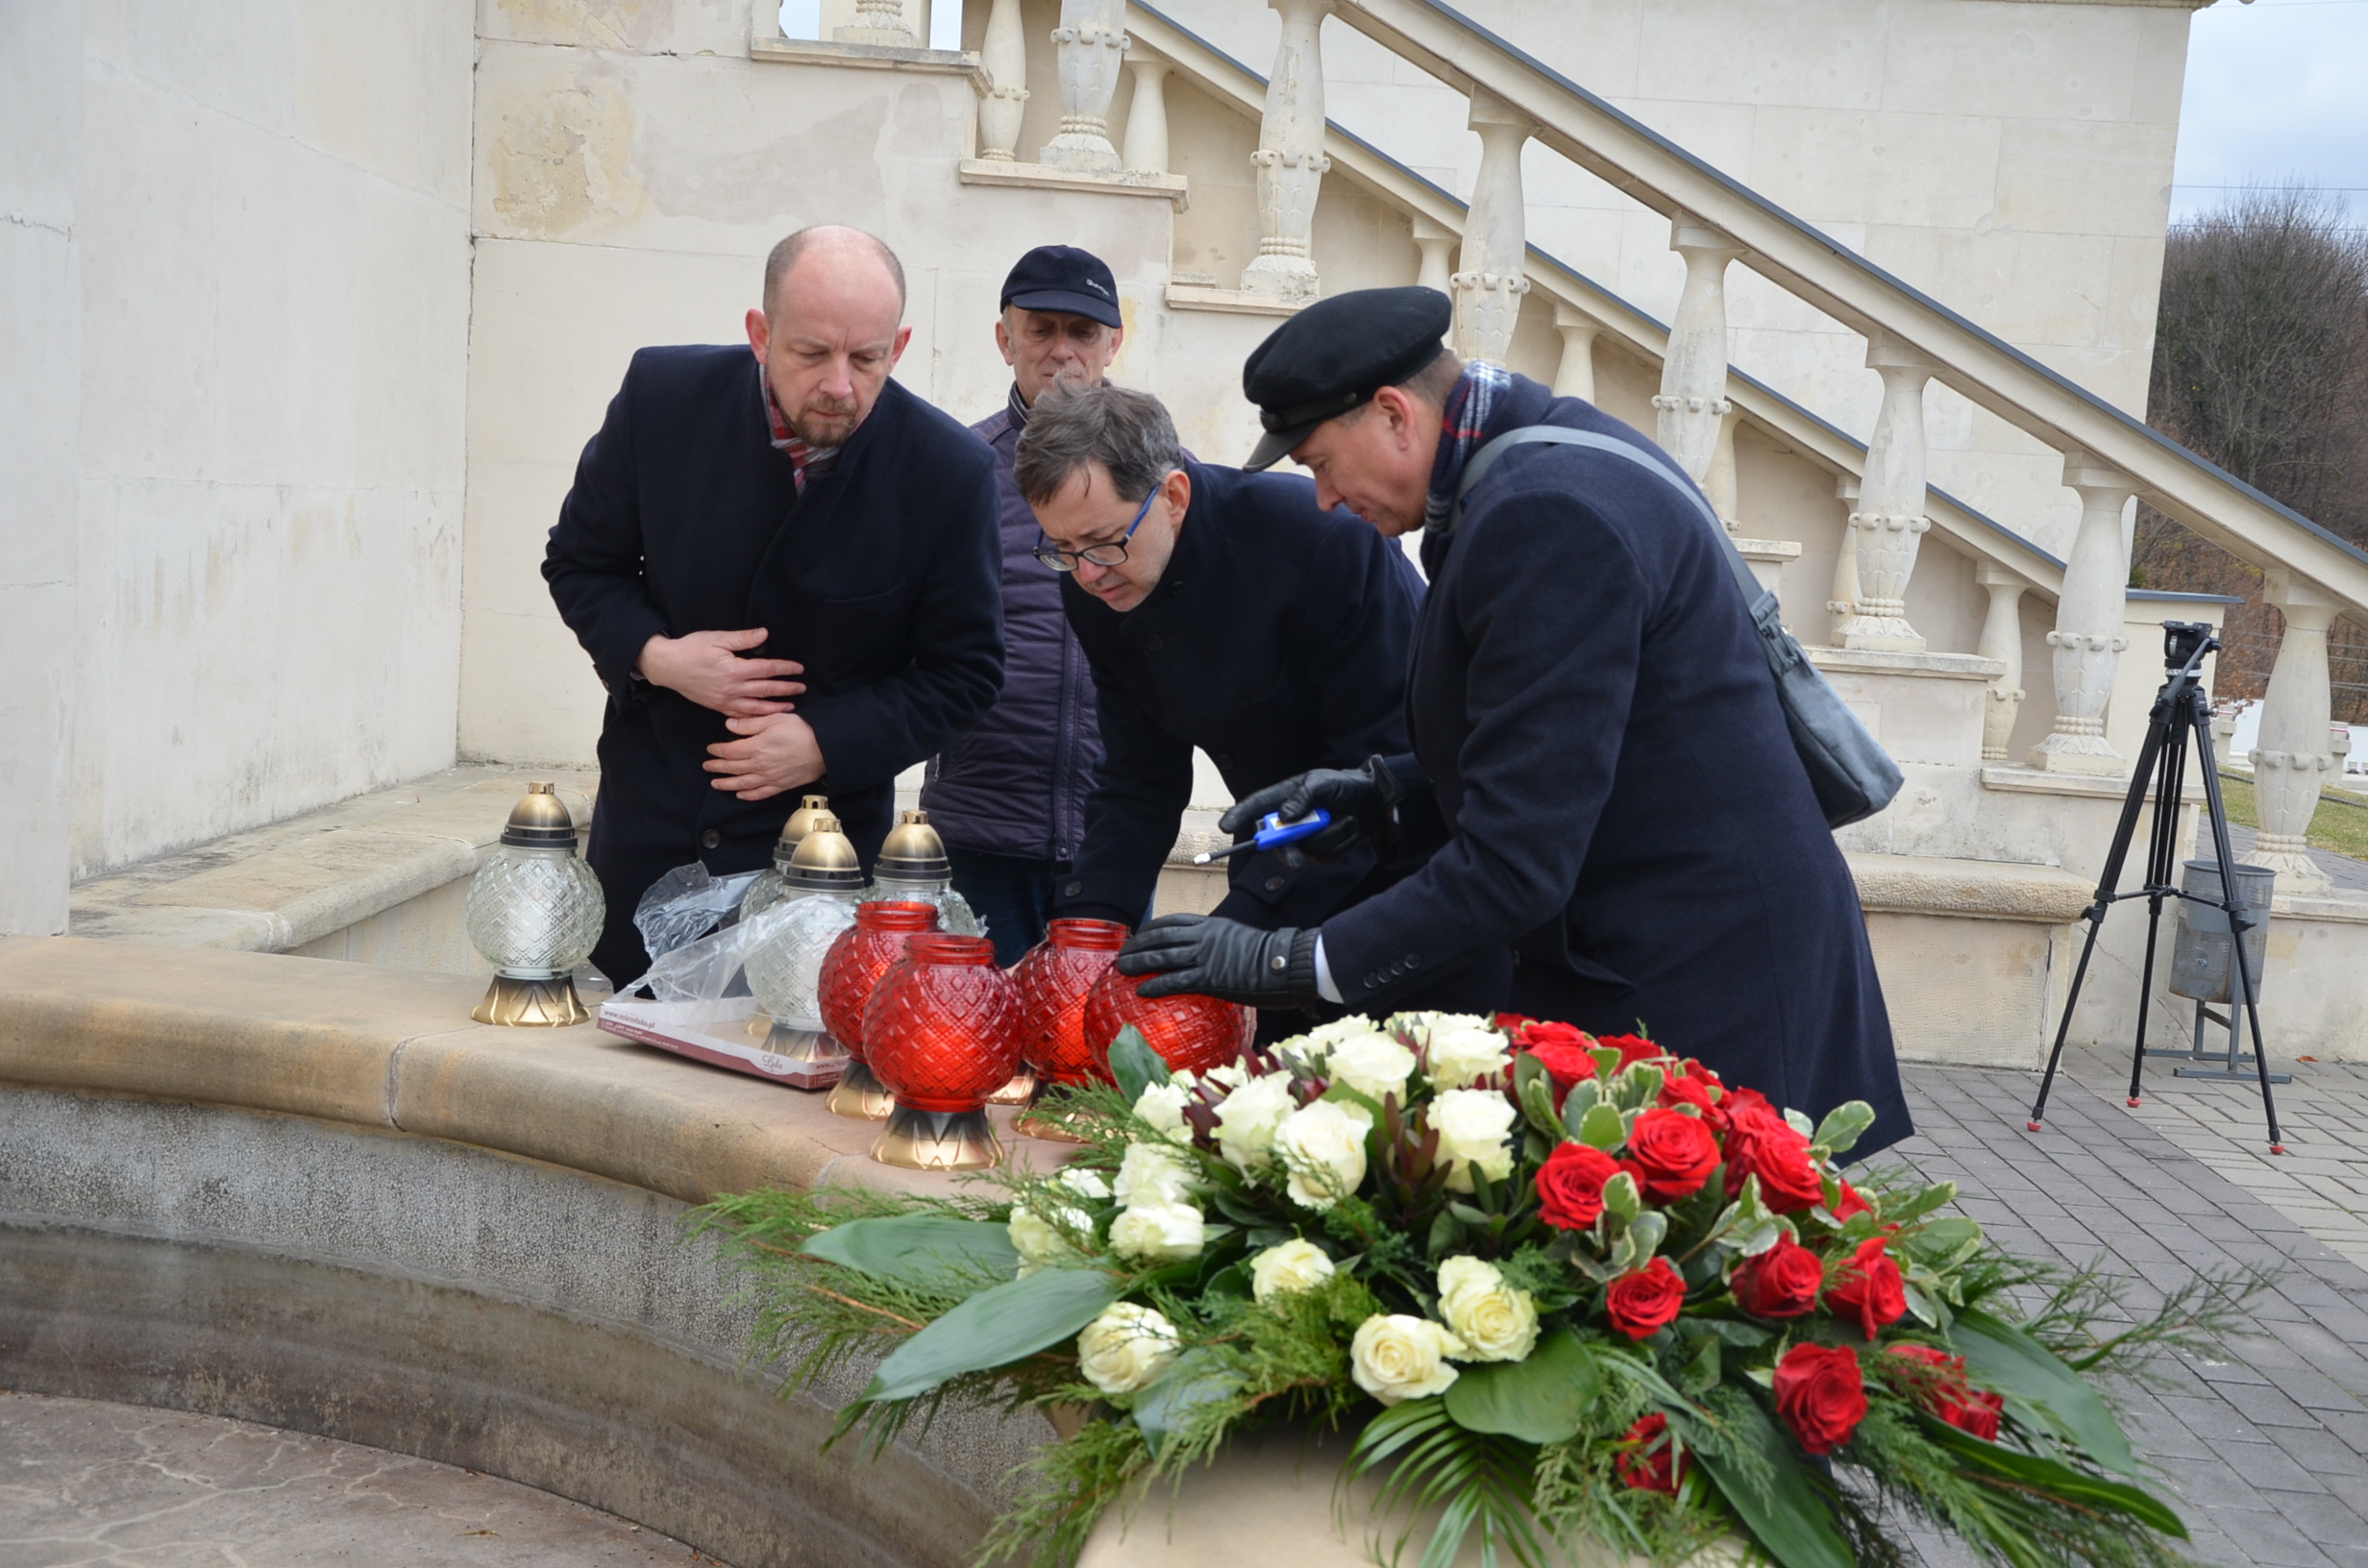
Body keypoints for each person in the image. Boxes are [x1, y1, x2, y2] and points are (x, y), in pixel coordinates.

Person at [1113, 285, 1912, 1155]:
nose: (1326, 500)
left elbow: (1517, 861)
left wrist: (1294, 962)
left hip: (1705, 979)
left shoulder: (1544, 514)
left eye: (1321, 464)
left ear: (1394, 415)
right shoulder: (1532, 460)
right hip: (1669, 944)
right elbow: (1574, 745)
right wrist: (1386, 798)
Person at [544, 226, 1003, 990]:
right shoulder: (660, 398)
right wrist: (660, 657)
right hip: (649, 837)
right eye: (811, 353)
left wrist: (824, 741)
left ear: (899, 345)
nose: (839, 385)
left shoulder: (949, 471)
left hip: (819, 872)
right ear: (760, 334)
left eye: (867, 359)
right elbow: (580, 563)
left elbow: (967, 673)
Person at [1019, 381, 1483, 1040]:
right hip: (1276, 877)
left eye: (1101, 542)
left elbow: (1381, 763)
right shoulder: (1097, 585)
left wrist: (1241, 923)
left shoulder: (1320, 542)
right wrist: (1089, 929)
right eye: (1061, 550)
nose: (1087, 573)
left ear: (1173, 497)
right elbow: (1137, 777)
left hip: (1414, 891)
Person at [919, 247, 1122, 966]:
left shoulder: (1163, 477)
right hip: (977, 839)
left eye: (1083, 331)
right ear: (1005, 339)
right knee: (967, 1029)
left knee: (1101, 1037)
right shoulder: (956, 471)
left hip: (1113, 838)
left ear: (1113, 344)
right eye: (1041, 330)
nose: (1062, 351)